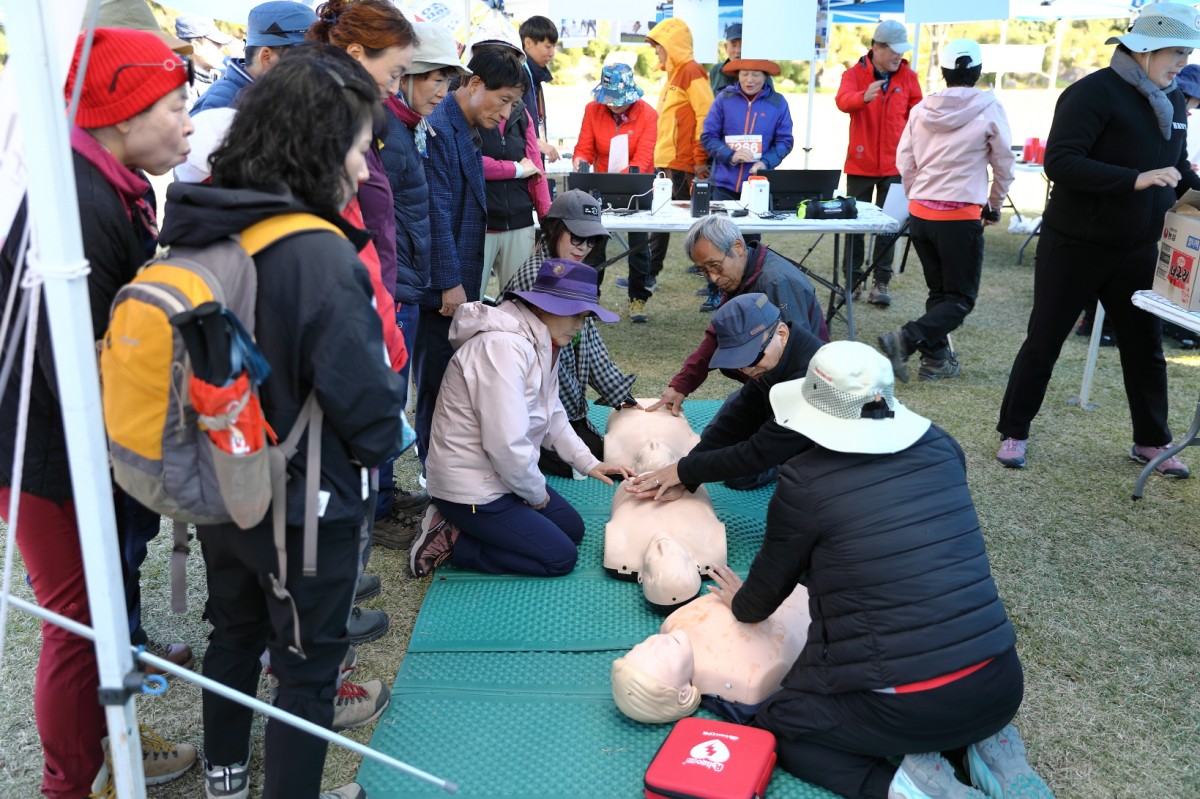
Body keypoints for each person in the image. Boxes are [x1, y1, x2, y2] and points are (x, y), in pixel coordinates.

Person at [160, 45, 405, 799]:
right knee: (306, 670)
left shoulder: (201, 221)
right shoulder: (316, 253)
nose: (363, 168)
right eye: (358, 148)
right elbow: (369, 408)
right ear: (320, 147)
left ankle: (226, 774)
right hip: (303, 501)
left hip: (220, 476)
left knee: (233, 632)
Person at [708, 340, 1053, 799]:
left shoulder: (803, 481)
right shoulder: (941, 444)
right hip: (1001, 686)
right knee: (939, 688)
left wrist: (741, 602)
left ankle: (909, 789)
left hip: (909, 706)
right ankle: (992, 750)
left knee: (784, 723)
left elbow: (763, 596)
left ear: (814, 409)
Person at [0, 27, 197, 799]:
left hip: (79, 438)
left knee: (105, 599)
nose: (188, 124)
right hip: (44, 449)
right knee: (77, 617)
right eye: (175, 106)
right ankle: (69, 783)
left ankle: (118, 742)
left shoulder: (113, 183)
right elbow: (75, 362)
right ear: (122, 112)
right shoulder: (78, 201)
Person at [996, 3, 1200, 476]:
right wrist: (1134, 179)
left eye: (1187, 53)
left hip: (1138, 248)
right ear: (1146, 49)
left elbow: (1177, 168)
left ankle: (1151, 440)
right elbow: (1061, 162)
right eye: (1176, 52)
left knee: (1145, 348)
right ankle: (1014, 430)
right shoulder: (1091, 93)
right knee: (1044, 339)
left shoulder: (1173, 100)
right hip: (1076, 244)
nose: (1183, 63)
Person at [411, 260, 634, 578]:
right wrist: (536, 496)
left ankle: (472, 524)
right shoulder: (503, 347)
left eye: (584, 317)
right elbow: (506, 444)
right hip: (471, 489)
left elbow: (552, 413)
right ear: (542, 307)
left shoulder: (542, 340)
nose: (579, 325)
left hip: (500, 476)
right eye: (574, 314)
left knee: (572, 529)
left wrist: (588, 462)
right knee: (559, 558)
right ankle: (453, 538)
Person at [308, 0, 417, 618]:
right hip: (350, 332)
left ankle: (340, 591)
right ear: (355, 54)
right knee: (335, 484)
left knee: (351, 483)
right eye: (395, 71)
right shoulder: (325, 122)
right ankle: (329, 616)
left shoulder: (355, 114)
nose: (397, 87)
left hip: (375, 314)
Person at [414, 46, 532, 477]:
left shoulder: (461, 124)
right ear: (475, 83)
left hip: (455, 277)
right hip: (437, 284)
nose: (505, 114)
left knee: (451, 379)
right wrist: (449, 281)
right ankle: (435, 473)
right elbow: (436, 211)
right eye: (503, 101)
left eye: (514, 105)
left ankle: (447, 468)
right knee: (435, 380)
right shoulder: (440, 126)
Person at [374, 21, 469, 548]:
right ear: (406, 75)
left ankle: (385, 495)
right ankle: (376, 510)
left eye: (447, 80)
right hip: (390, 287)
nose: (441, 90)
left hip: (405, 285)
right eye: (434, 77)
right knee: (387, 396)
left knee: (395, 395)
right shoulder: (387, 131)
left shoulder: (411, 125)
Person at [878, 39, 1014, 383]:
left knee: (940, 294)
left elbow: (905, 160)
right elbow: (1004, 163)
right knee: (960, 299)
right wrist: (994, 204)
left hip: (922, 213)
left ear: (943, 71)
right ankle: (905, 339)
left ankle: (936, 360)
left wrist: (916, 196)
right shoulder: (989, 107)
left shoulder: (922, 108)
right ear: (978, 71)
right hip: (959, 215)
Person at [628, 294, 822, 498]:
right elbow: (735, 421)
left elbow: (759, 452)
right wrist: (685, 477)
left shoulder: (811, 380)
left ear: (781, 334)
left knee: (795, 496)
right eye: (738, 361)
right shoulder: (771, 363)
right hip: (788, 435)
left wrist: (682, 471)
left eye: (752, 357)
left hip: (837, 465)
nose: (747, 370)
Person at [503, 190, 638, 477]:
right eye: (577, 237)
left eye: (592, 240)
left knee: (599, 452)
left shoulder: (572, 270)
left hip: (553, 406)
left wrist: (622, 395)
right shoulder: (536, 276)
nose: (584, 247)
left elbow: (590, 343)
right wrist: (572, 420)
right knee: (591, 457)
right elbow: (548, 368)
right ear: (553, 229)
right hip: (526, 408)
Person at [648, 215, 828, 419]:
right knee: (722, 427)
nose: (713, 278)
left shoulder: (777, 282)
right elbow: (719, 334)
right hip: (766, 384)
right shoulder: (742, 273)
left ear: (738, 247)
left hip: (802, 394)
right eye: (704, 271)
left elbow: (795, 359)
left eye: (715, 266)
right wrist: (681, 384)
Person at [611, 583, 809, 725]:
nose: (657, 641)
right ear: (683, 694)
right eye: (661, 658)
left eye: (643, 645)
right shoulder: (743, 677)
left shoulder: (672, 624)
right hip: (812, 605)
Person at [836, 19, 923, 308]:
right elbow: (842, 101)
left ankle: (880, 281)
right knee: (855, 225)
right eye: (893, 50)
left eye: (901, 50)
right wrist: (863, 97)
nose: (899, 56)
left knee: (889, 226)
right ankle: (852, 280)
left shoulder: (908, 77)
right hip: (860, 163)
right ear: (876, 47)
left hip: (896, 165)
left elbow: (918, 116)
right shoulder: (853, 74)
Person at [700, 56, 794, 310]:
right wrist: (729, 155)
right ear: (737, 75)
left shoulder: (778, 102)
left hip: (757, 185)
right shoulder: (724, 98)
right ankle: (715, 291)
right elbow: (708, 136)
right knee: (716, 240)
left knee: (750, 243)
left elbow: (785, 141)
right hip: (724, 183)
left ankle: (749, 293)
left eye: (756, 74)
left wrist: (766, 162)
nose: (749, 79)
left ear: (765, 77)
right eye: (744, 74)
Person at [572, 63, 659, 321]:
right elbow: (584, 147)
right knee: (594, 244)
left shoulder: (648, 115)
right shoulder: (592, 110)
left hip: (637, 186)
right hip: (600, 186)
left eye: (619, 101)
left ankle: (638, 299)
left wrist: (622, 178)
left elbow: (643, 158)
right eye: (609, 100)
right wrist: (580, 160)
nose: (614, 105)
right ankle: (591, 298)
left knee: (639, 245)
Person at [470, 28, 553, 297]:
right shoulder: (464, 107)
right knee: (469, 304)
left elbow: (536, 169)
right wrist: (516, 169)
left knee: (519, 303)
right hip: (479, 224)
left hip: (519, 222)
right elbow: (470, 162)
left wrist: (548, 221)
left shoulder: (520, 112)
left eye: (509, 57)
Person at [645, 18, 714, 284]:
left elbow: (705, 115)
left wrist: (699, 158)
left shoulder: (691, 71)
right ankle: (648, 275)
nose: (656, 51)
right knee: (661, 218)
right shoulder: (674, 74)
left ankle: (716, 279)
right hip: (667, 162)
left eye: (659, 45)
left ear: (672, 44)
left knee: (697, 223)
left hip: (683, 164)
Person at [190, 1, 316, 115]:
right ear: (267, 57)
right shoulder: (222, 108)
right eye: (304, 58)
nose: (313, 66)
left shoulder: (265, 93)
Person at [519, 15, 561, 164]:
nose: (552, 53)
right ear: (528, 43)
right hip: (522, 163)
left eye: (553, 47)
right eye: (548, 46)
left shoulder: (534, 75)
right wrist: (535, 141)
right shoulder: (517, 75)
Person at [175, 15, 232, 110]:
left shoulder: (217, 76)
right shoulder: (180, 86)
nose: (221, 48)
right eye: (217, 43)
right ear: (196, 47)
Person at [708, 22, 742, 95]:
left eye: (742, 45)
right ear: (726, 47)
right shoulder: (716, 70)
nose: (738, 51)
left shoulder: (758, 74)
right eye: (734, 45)